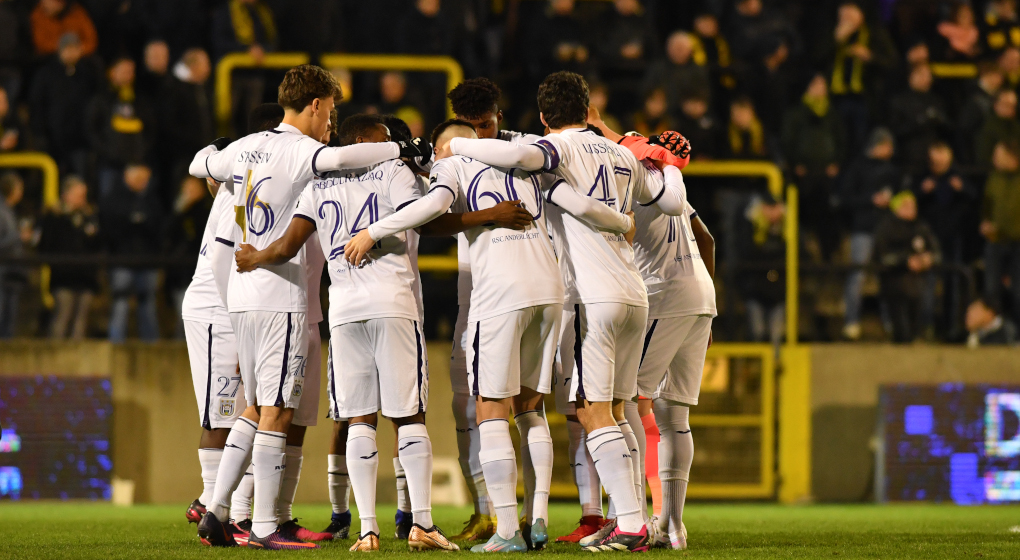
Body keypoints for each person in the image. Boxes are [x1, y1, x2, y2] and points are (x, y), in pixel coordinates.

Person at [444, 71, 690, 553]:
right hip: (633, 293)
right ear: (587, 108)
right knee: (618, 412)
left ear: (544, 117)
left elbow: (520, 157)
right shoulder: (621, 153)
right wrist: (670, 163)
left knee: (591, 410)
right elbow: (673, 201)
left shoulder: (555, 149)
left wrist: (457, 146)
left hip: (591, 296)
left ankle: (631, 525)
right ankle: (630, 519)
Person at [188, 64, 430, 550]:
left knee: (256, 407)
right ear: (316, 104)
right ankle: (263, 526)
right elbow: (344, 157)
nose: (331, 121)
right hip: (280, 294)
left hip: (243, 294)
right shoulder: (304, 151)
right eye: (330, 109)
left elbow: (199, 164)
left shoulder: (245, 147)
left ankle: (216, 510)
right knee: (278, 410)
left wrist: (215, 152)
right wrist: (402, 149)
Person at [346, 117, 611, 552]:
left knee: (490, 407)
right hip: (550, 289)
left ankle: (506, 530)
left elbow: (432, 209)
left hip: (501, 293)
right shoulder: (523, 164)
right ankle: (538, 517)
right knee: (531, 408)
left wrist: (374, 230)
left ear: (446, 148)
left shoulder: (452, 164)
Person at [232, 113, 459, 552]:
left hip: (344, 311)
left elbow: (286, 246)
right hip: (392, 303)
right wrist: (378, 227)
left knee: (358, 419)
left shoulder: (317, 183)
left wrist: (255, 257)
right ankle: (422, 523)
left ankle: (367, 530)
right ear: (363, 139)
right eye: (381, 137)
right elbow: (424, 214)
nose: (388, 143)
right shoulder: (392, 171)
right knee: (408, 415)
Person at [623, 143, 716, 551]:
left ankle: (632, 520)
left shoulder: (632, 183)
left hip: (664, 295)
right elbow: (707, 239)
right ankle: (672, 525)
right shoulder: (668, 182)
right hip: (702, 297)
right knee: (674, 416)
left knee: (626, 400)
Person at [840, 128, 901, 340]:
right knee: (857, 274)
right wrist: (870, 199)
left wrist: (891, 201)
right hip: (863, 229)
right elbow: (845, 198)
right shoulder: (857, 167)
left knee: (887, 275)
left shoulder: (892, 170)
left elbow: (901, 196)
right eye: (887, 145)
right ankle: (851, 320)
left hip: (886, 230)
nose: (890, 150)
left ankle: (890, 321)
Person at [912, 142, 975, 338]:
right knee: (927, 285)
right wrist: (922, 191)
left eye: (942, 162)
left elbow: (974, 198)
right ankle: (926, 327)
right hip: (929, 239)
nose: (938, 166)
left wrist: (962, 189)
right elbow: (910, 201)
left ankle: (950, 328)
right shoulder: (923, 177)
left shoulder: (958, 177)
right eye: (935, 162)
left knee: (952, 284)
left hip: (952, 238)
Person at [781, 74, 846, 260]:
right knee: (802, 217)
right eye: (816, 84)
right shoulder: (796, 113)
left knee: (827, 217)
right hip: (803, 176)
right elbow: (788, 141)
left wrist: (836, 163)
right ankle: (802, 258)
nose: (820, 89)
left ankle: (828, 257)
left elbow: (842, 140)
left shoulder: (832, 114)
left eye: (823, 84)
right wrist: (796, 164)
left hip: (826, 176)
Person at [820, 1, 897, 151]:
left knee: (861, 143)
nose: (847, 15)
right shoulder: (830, 32)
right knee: (838, 141)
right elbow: (816, 59)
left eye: (852, 11)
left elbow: (892, 63)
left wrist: (870, 57)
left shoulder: (874, 33)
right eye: (844, 11)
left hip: (864, 98)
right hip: (835, 97)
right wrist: (835, 40)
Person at [99, 164, 162, 342]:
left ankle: (151, 345)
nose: (142, 182)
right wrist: (131, 219)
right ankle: (116, 343)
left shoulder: (151, 200)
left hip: (147, 260)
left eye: (145, 179)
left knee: (147, 304)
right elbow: (109, 228)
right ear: (127, 176)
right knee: (120, 302)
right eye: (138, 178)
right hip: (122, 259)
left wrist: (142, 220)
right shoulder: (115, 198)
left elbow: (159, 227)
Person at [37, 175, 100, 339]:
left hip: (85, 278)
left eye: (84, 195)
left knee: (80, 321)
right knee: (62, 316)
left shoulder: (89, 216)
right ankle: (54, 352)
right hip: (63, 277)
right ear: (66, 194)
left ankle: (76, 355)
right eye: (79, 195)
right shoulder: (54, 217)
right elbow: (45, 246)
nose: (82, 199)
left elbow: (98, 245)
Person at [28, 32, 99, 176]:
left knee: (79, 178)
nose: (71, 53)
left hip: (79, 141)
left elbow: (94, 106)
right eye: (67, 48)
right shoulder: (46, 74)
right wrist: (41, 134)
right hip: (53, 141)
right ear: (60, 50)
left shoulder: (87, 74)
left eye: (74, 48)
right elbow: (36, 105)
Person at [874, 191, 940, 343]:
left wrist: (927, 259)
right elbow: (882, 256)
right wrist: (906, 261)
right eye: (906, 206)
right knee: (902, 332)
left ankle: (922, 333)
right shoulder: (886, 227)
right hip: (894, 283)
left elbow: (936, 252)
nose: (912, 209)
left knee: (916, 324)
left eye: (913, 205)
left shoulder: (921, 226)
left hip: (918, 283)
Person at [86, 56, 157, 197]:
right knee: (110, 202)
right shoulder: (101, 100)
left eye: (130, 72)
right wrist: (108, 152)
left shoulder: (139, 101)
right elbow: (91, 129)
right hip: (109, 166)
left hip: (137, 165)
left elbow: (151, 129)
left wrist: (141, 153)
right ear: (112, 73)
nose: (128, 75)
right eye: (124, 71)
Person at [736, 195, 786, 345]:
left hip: (778, 291)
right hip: (755, 289)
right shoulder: (750, 224)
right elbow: (746, 251)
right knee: (757, 333)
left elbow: (798, 251)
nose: (772, 212)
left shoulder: (787, 226)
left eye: (775, 207)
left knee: (776, 337)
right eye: (768, 207)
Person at [981, 141, 1020, 328]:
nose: (994, 159)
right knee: (991, 288)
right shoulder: (994, 178)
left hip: (1018, 242)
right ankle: (994, 332)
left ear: (1013, 157)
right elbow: (987, 207)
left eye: (999, 155)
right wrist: (986, 223)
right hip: (996, 241)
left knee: (1018, 290)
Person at [888, 64, 951, 173]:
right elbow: (895, 131)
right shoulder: (900, 101)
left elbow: (949, 128)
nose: (926, 79)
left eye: (929, 75)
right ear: (911, 76)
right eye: (921, 75)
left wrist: (939, 120)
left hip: (934, 159)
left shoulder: (936, 101)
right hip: (908, 159)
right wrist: (919, 122)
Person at [640, 31, 710, 116]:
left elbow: (704, 94)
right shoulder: (657, 68)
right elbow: (647, 91)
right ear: (668, 48)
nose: (678, 51)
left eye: (682, 48)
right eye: (676, 48)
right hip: (663, 115)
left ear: (690, 50)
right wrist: (655, 103)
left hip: (690, 116)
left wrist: (697, 104)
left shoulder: (698, 70)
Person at [956, 63, 1003, 166]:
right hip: (975, 153)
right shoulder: (974, 97)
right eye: (998, 76)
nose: (1000, 80)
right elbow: (965, 129)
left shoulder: (994, 96)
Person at [0, 172, 27, 338]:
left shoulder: (9, 210)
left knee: (9, 318)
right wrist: (18, 236)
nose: (21, 192)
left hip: (12, 271)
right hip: (3, 270)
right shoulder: (2, 211)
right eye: (19, 188)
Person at [29, 0, 97, 57]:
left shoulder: (77, 13)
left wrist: (77, 49)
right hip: (50, 58)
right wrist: (63, 48)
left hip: (80, 57)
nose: (45, 4)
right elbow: (40, 44)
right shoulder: (38, 15)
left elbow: (91, 40)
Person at [976, 89, 1020, 168]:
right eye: (1006, 105)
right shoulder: (988, 127)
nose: (1010, 109)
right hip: (994, 171)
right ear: (996, 105)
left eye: (1013, 106)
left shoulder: (1016, 126)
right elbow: (983, 156)